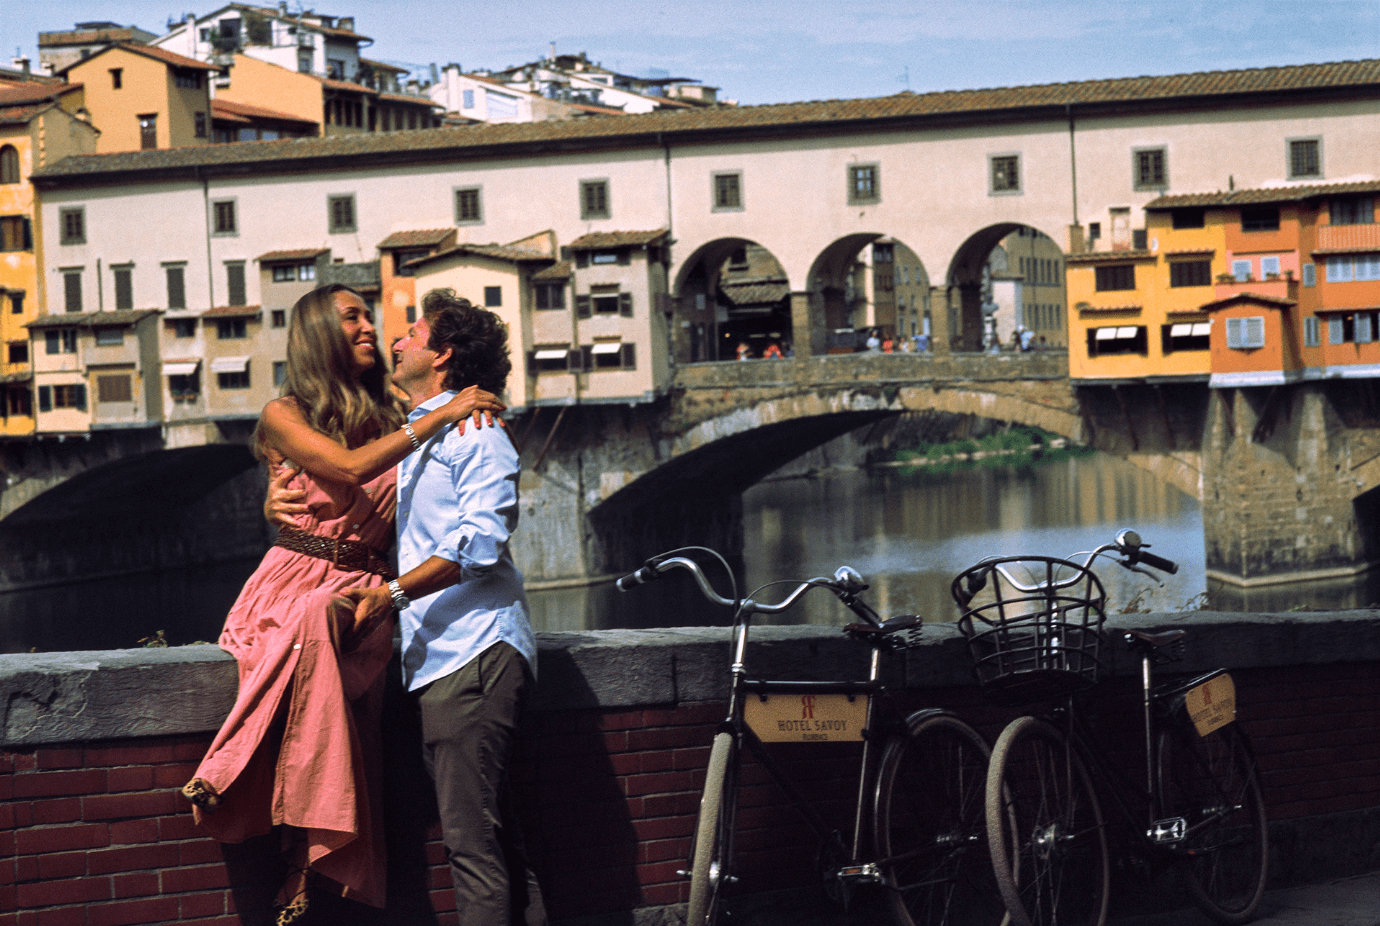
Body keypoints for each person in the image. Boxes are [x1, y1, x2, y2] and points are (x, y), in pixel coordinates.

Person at [180, 284, 504, 925]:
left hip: (368, 593)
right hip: (291, 585)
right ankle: (257, 815)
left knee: (360, 750)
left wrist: (452, 409)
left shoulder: (399, 412)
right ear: (318, 334)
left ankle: (313, 868)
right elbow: (349, 470)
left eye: (368, 316)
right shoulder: (285, 413)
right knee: (313, 651)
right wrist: (441, 413)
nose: (370, 328)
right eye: (352, 317)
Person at [336, 289, 546, 926]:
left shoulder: (477, 431)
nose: (396, 342)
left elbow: (480, 545)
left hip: (473, 654)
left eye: (412, 333)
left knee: (471, 845)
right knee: (495, 834)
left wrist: (391, 595)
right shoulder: (428, 430)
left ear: (443, 354)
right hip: (445, 658)